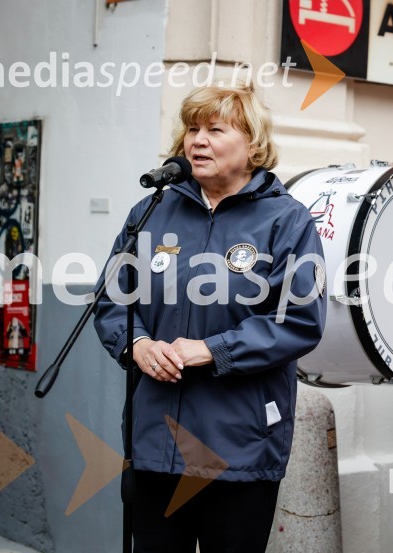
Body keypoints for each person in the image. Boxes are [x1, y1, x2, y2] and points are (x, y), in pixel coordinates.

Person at [93, 84, 327, 553]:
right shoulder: (153, 210)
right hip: (155, 443)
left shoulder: (287, 221)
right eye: (192, 129)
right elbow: (111, 300)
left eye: (215, 129)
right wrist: (136, 344)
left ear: (252, 144)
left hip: (238, 447)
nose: (196, 141)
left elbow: (299, 320)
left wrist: (213, 350)